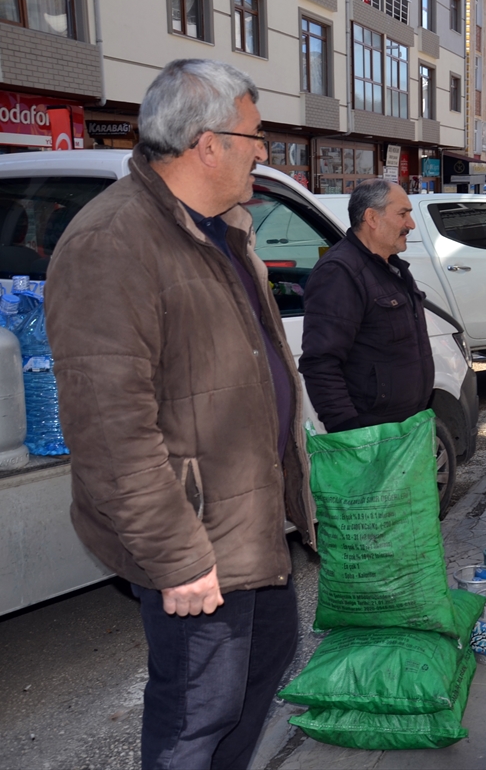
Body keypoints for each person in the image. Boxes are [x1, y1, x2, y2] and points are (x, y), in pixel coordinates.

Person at [45, 59, 314, 769]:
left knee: (265, 662)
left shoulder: (224, 229)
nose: (264, 150)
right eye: (256, 135)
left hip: (245, 524)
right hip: (194, 540)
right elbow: (110, 432)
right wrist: (177, 558)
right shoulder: (113, 243)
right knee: (196, 713)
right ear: (208, 143)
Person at [299, 179, 433, 434]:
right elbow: (321, 362)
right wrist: (349, 431)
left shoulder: (392, 268)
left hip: (404, 428)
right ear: (372, 217)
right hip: (369, 436)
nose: (411, 224)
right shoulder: (340, 273)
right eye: (403, 214)